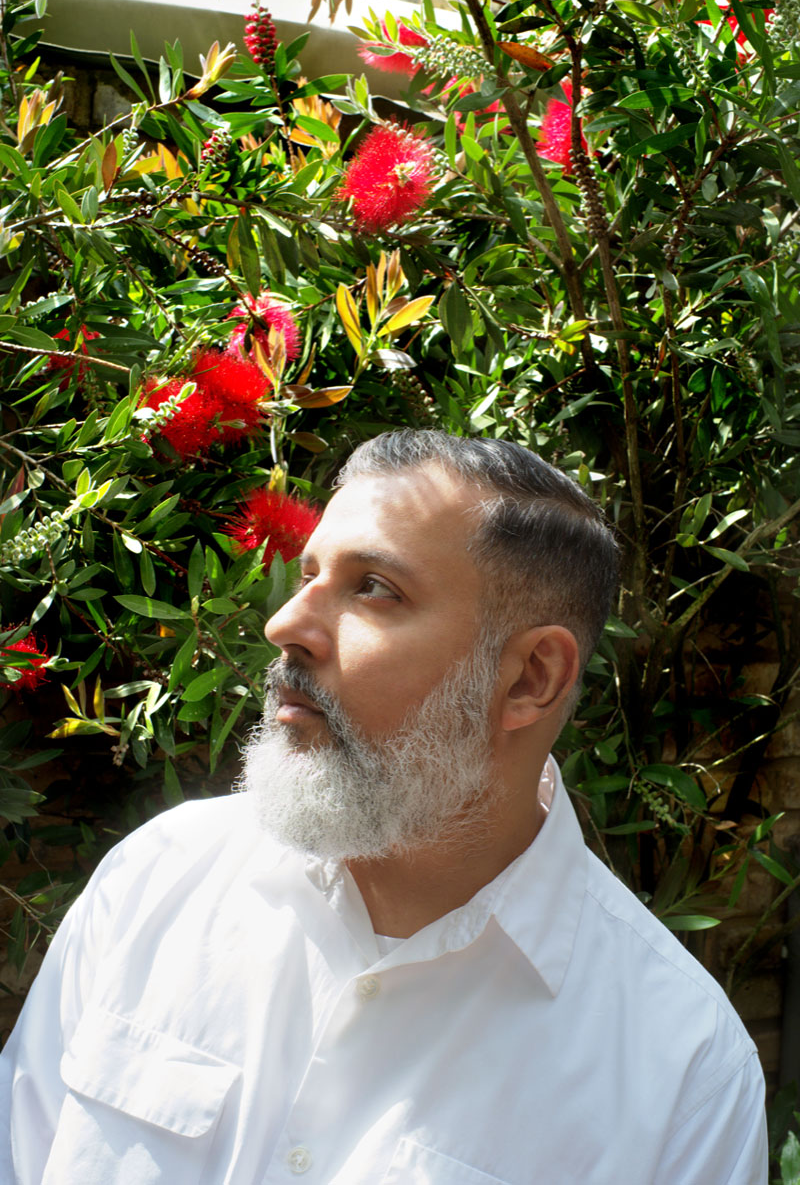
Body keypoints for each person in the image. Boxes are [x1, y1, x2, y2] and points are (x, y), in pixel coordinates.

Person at [0, 430, 766, 1184]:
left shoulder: (681, 1074)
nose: (284, 625)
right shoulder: (155, 882)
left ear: (530, 678)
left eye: (373, 587)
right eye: (309, 575)